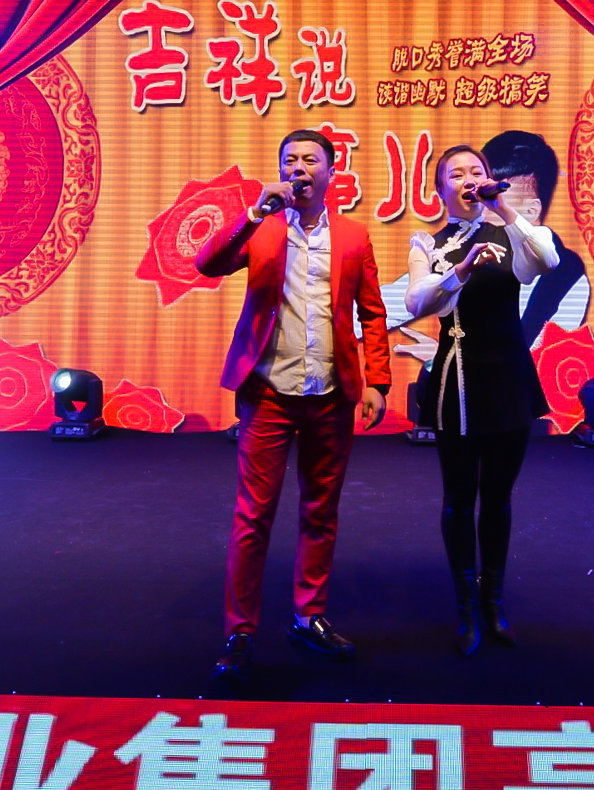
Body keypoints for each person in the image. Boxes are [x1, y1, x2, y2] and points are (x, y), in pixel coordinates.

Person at [196, 130, 391, 681]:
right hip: (268, 392)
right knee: (253, 515)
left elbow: (373, 313)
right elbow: (208, 264)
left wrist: (378, 381)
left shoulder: (353, 236)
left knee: (320, 510)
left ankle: (309, 617)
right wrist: (253, 212)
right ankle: (240, 631)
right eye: (290, 160)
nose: (299, 167)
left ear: (331, 171)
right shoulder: (262, 227)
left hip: (330, 393)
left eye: (310, 159)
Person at [405, 145, 560, 653]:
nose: (468, 179)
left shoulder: (509, 231)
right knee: (458, 497)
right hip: (458, 380)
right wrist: (462, 269)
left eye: (477, 171)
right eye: (456, 174)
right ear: (439, 190)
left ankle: (494, 603)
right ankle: (466, 608)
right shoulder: (428, 243)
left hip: (509, 377)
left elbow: (547, 260)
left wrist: (504, 209)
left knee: (498, 497)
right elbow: (417, 301)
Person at [480, 130, 590, 345]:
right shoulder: (460, 247)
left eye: (495, 204)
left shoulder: (567, 278)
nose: (482, 213)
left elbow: (541, 356)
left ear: (531, 211)